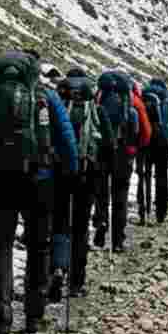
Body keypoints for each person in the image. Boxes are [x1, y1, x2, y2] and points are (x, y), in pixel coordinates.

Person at [0, 50, 78, 334]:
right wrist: (70, 171)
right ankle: (33, 319)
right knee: (39, 247)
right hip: (39, 181)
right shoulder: (46, 96)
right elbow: (66, 137)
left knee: (0, 247)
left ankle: (0, 324)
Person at [49, 68, 112, 300]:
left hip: (60, 175)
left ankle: (56, 269)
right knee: (80, 227)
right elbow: (109, 144)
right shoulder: (97, 111)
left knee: (59, 224)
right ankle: (76, 283)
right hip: (87, 177)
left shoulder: (57, 110)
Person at [92, 70, 150, 253]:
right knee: (120, 197)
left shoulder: (99, 99)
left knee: (101, 193)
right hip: (124, 154)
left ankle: (101, 221)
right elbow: (145, 133)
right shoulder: (133, 103)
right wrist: (135, 147)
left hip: (102, 153)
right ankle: (118, 240)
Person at [140, 79, 168, 224]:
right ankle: (161, 213)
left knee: (145, 175)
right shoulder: (166, 100)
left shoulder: (143, 96)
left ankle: (144, 212)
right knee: (161, 176)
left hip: (145, 141)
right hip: (162, 142)